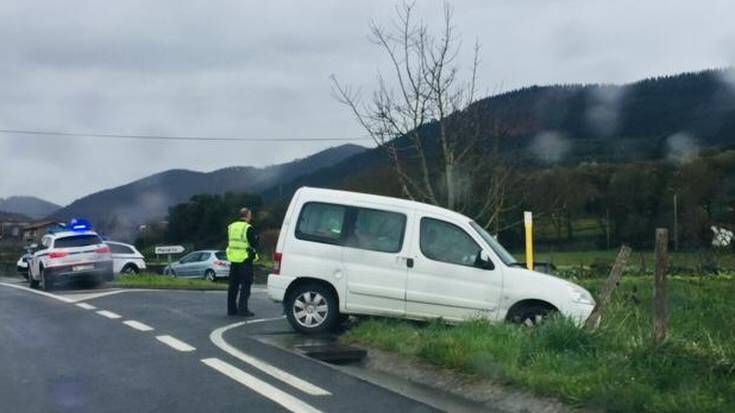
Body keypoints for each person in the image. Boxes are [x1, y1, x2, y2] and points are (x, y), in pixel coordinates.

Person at [226, 207, 259, 316]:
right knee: (246, 286)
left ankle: (231, 309)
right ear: (248, 216)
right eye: (250, 215)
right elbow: (254, 243)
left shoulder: (231, 227)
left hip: (233, 260)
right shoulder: (247, 228)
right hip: (245, 260)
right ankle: (243, 309)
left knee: (233, 286)